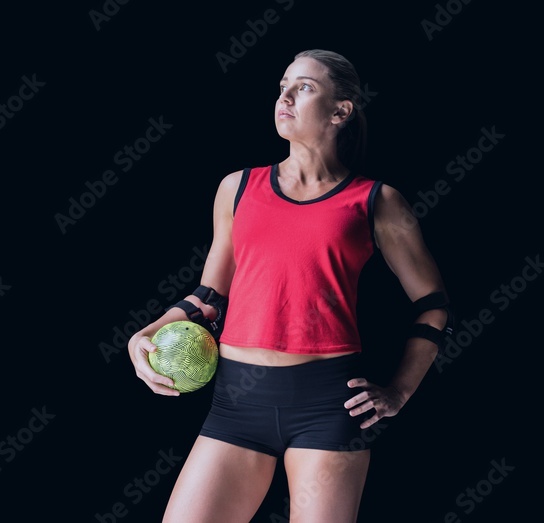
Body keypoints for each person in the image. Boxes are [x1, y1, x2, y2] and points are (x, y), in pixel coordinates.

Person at [127, 49, 452, 522]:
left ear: (341, 111)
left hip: (328, 405)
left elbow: (433, 305)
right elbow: (210, 297)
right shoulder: (237, 187)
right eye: (282, 86)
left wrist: (399, 392)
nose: (284, 96)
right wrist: (145, 334)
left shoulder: (376, 201)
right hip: (237, 404)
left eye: (304, 87)